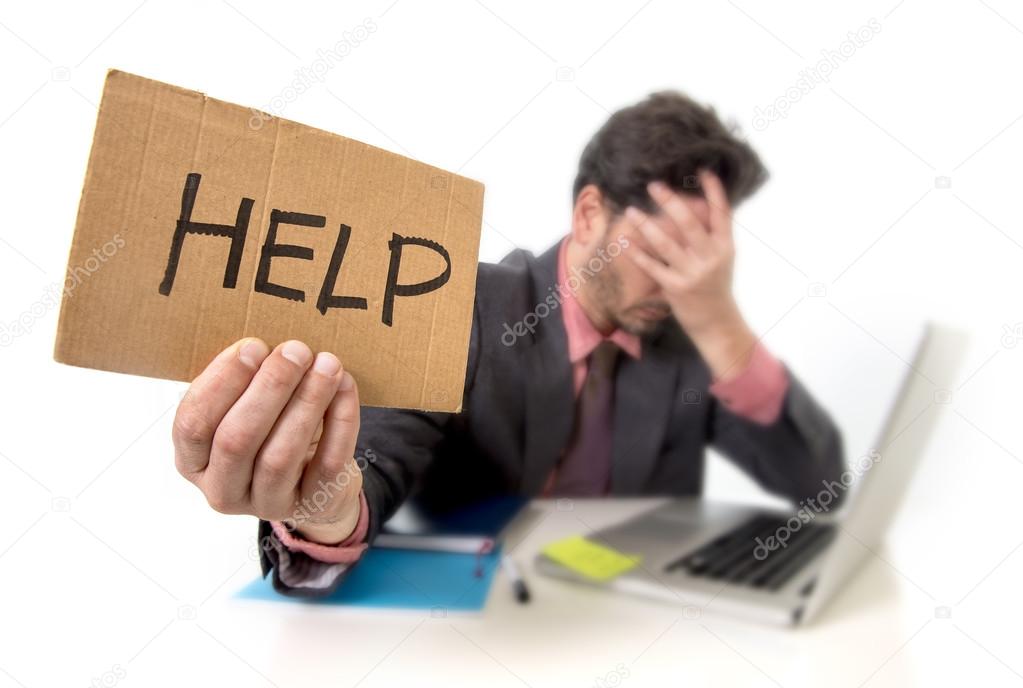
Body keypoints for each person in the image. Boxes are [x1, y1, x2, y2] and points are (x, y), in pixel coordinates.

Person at [172, 91, 846, 596]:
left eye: (705, 256)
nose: (682, 281)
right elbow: (369, 471)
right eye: (667, 245)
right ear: (588, 215)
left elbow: (818, 486)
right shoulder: (460, 306)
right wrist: (322, 504)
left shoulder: (695, 339)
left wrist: (722, 321)